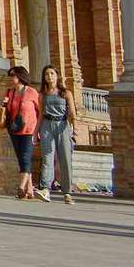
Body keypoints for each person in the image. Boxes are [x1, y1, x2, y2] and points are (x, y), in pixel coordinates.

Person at [34, 63, 75, 204]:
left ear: (57, 76)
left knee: (65, 159)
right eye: (46, 74)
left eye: (52, 73)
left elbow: (72, 114)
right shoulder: (42, 95)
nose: (49, 76)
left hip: (62, 125)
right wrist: (35, 132)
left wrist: (75, 129)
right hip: (46, 125)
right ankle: (45, 188)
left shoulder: (65, 93)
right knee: (47, 157)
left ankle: (67, 191)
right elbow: (40, 114)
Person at [2, 65, 41, 200]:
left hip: (29, 130)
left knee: (25, 158)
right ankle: (29, 190)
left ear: (20, 77)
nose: (10, 78)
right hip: (14, 130)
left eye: (12, 75)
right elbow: (7, 110)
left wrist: (39, 130)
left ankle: (21, 187)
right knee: (22, 159)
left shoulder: (32, 92)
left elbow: (40, 111)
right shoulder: (10, 92)